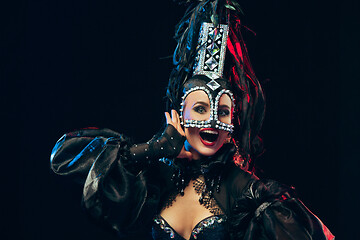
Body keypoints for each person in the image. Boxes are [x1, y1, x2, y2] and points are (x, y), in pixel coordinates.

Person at [50, 1, 334, 239]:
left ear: (233, 122)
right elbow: (66, 161)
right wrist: (153, 148)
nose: (211, 122)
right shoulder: (158, 176)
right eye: (200, 109)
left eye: (222, 112)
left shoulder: (247, 191)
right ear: (179, 112)